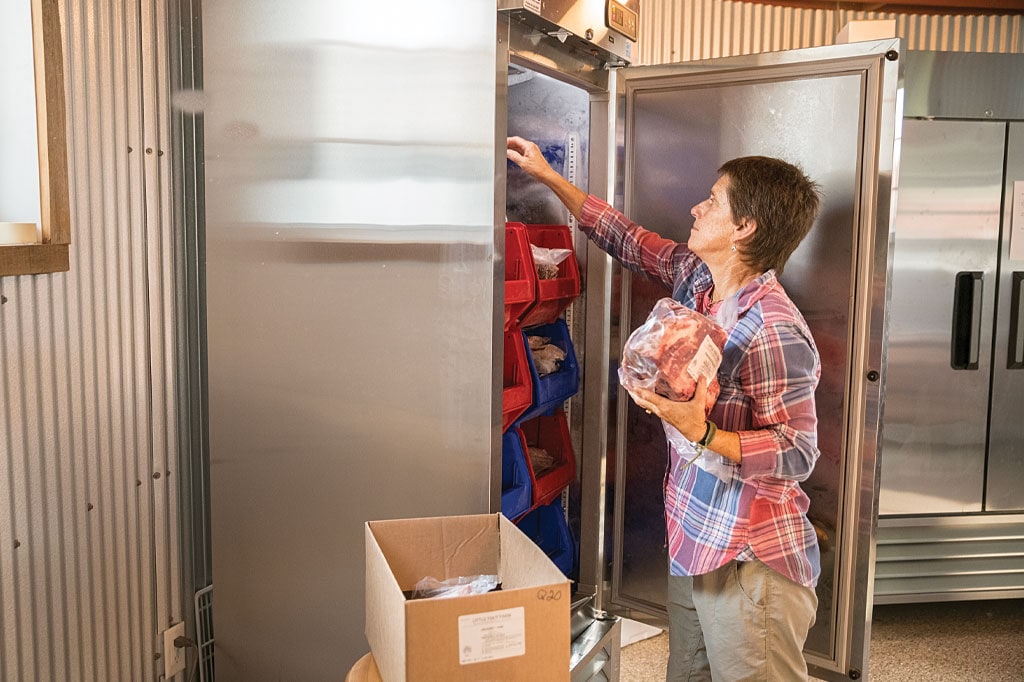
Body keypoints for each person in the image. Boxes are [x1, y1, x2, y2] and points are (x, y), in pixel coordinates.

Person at [506, 136, 823, 681]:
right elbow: (629, 240)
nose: (697, 208)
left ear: (744, 228)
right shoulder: (699, 282)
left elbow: (797, 453)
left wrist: (702, 434)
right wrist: (547, 175)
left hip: (749, 558)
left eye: (713, 200)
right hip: (693, 540)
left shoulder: (773, 328)